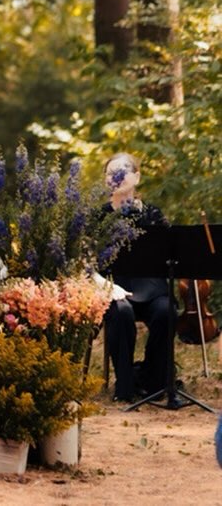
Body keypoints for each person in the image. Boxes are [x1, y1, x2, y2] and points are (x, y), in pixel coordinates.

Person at [102, 152, 171, 403]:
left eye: (123, 171)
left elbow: (168, 251)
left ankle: (153, 382)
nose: (116, 177)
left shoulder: (152, 214)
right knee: (121, 313)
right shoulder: (98, 217)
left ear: (137, 176)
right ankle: (125, 384)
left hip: (150, 287)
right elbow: (86, 261)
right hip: (114, 288)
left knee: (165, 312)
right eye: (111, 173)